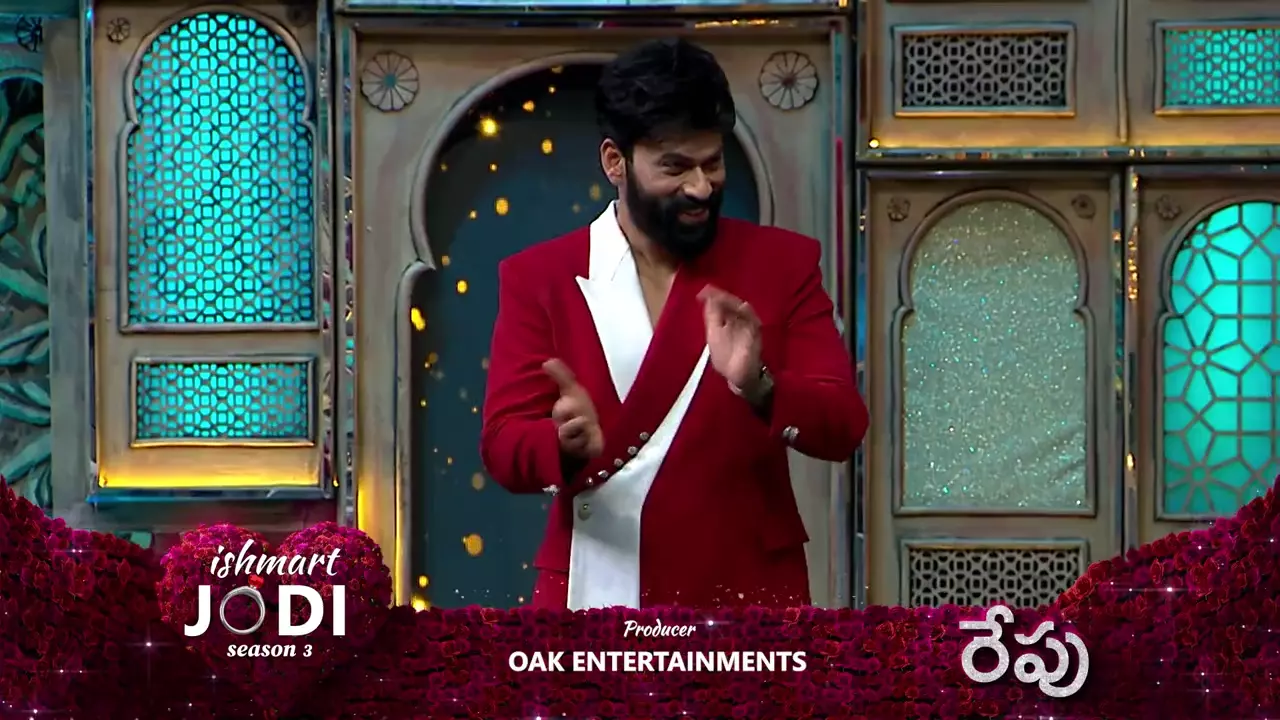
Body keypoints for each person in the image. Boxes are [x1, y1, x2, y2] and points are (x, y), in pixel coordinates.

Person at [480, 38, 868, 610]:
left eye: (713, 163)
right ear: (615, 162)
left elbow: (844, 426)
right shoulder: (540, 277)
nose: (701, 187)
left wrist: (761, 387)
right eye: (675, 167)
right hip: (594, 580)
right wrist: (559, 446)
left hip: (749, 591)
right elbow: (502, 444)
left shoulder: (782, 264)